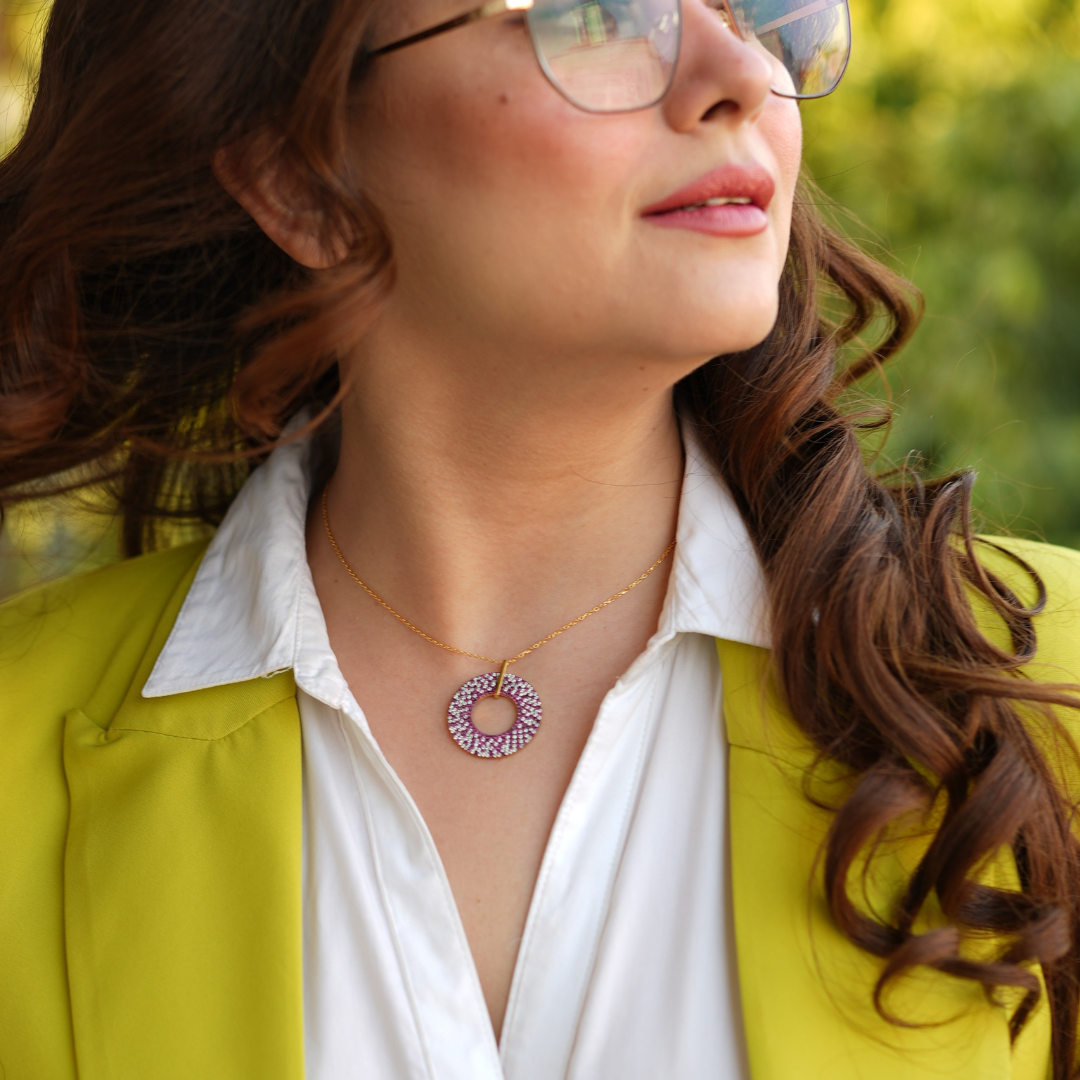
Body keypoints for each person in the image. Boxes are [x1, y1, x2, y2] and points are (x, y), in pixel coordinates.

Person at [1, 0, 1078, 1078]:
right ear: (296, 182)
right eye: (596, 13)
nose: (740, 73)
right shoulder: (19, 747)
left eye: (754, 5)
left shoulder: (1047, 696)